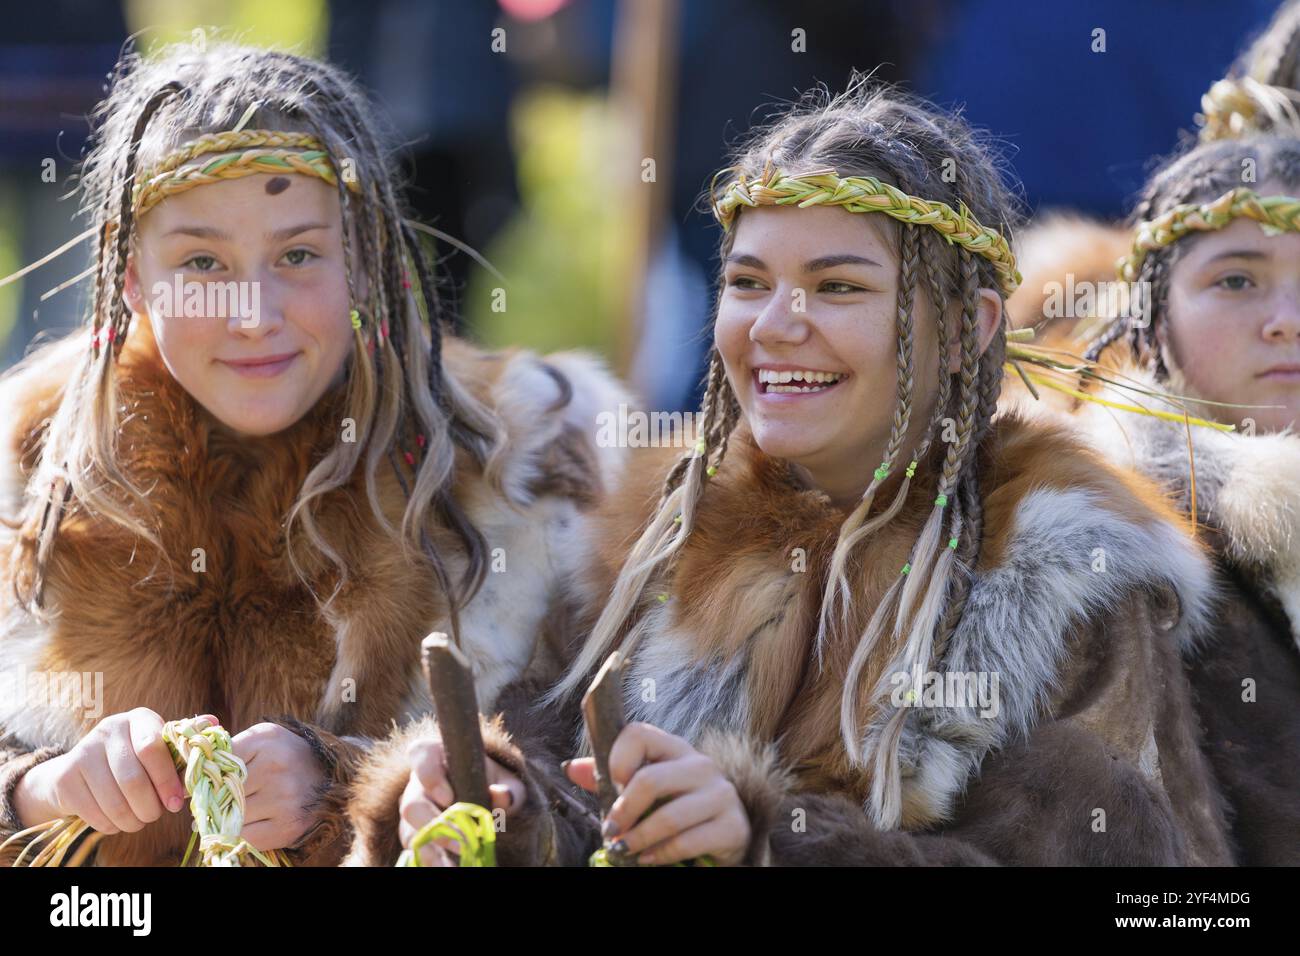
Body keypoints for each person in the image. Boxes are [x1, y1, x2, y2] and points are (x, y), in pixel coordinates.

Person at [369, 77, 1235, 866]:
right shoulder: (649, 537)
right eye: (749, 283)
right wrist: (501, 803)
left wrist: (774, 841)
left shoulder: (1060, 565)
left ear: (967, 327)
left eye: (838, 288)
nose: (777, 326)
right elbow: (567, 783)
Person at [0, 40, 627, 866]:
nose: (255, 313)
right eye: (201, 263)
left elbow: (589, 793)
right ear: (131, 276)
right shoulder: (29, 464)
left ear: (364, 260)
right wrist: (34, 792)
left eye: (298, 255)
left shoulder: (521, 466)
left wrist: (352, 783)